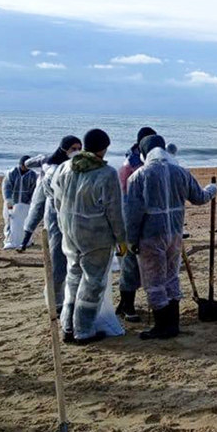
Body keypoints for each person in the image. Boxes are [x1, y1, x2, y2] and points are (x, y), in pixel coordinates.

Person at [124, 135, 217, 340]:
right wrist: (213, 189)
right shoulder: (181, 172)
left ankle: (162, 325)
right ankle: (172, 323)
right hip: (174, 234)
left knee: (153, 280)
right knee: (171, 276)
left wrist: (130, 240)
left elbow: (132, 214)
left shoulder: (139, 176)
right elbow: (199, 197)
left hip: (150, 236)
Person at [51, 129, 128, 345]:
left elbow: (57, 199)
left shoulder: (66, 167)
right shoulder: (106, 173)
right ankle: (83, 330)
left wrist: (63, 224)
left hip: (69, 232)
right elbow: (114, 211)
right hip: (96, 236)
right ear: (103, 148)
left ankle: (67, 326)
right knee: (93, 283)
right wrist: (121, 239)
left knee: (73, 278)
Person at [19, 136, 82, 313]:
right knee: (57, 264)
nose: (76, 151)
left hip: (72, 223)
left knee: (73, 265)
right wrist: (27, 231)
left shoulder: (74, 168)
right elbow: (38, 205)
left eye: (79, 148)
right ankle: (55, 302)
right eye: (73, 148)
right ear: (64, 149)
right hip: (55, 220)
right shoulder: (51, 168)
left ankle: (67, 299)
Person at [114, 127, 156, 323]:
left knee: (136, 265)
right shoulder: (130, 166)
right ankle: (127, 306)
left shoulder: (142, 162)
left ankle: (125, 303)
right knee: (130, 263)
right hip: (129, 219)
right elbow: (127, 199)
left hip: (143, 219)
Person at [2, 156, 38, 249]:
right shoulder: (11, 173)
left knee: (25, 222)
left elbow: (34, 190)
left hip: (26, 203)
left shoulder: (33, 175)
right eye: (24, 165)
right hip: (12, 202)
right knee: (10, 221)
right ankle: (9, 240)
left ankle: (26, 240)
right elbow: (7, 187)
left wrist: (32, 202)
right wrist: (8, 200)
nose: (25, 167)